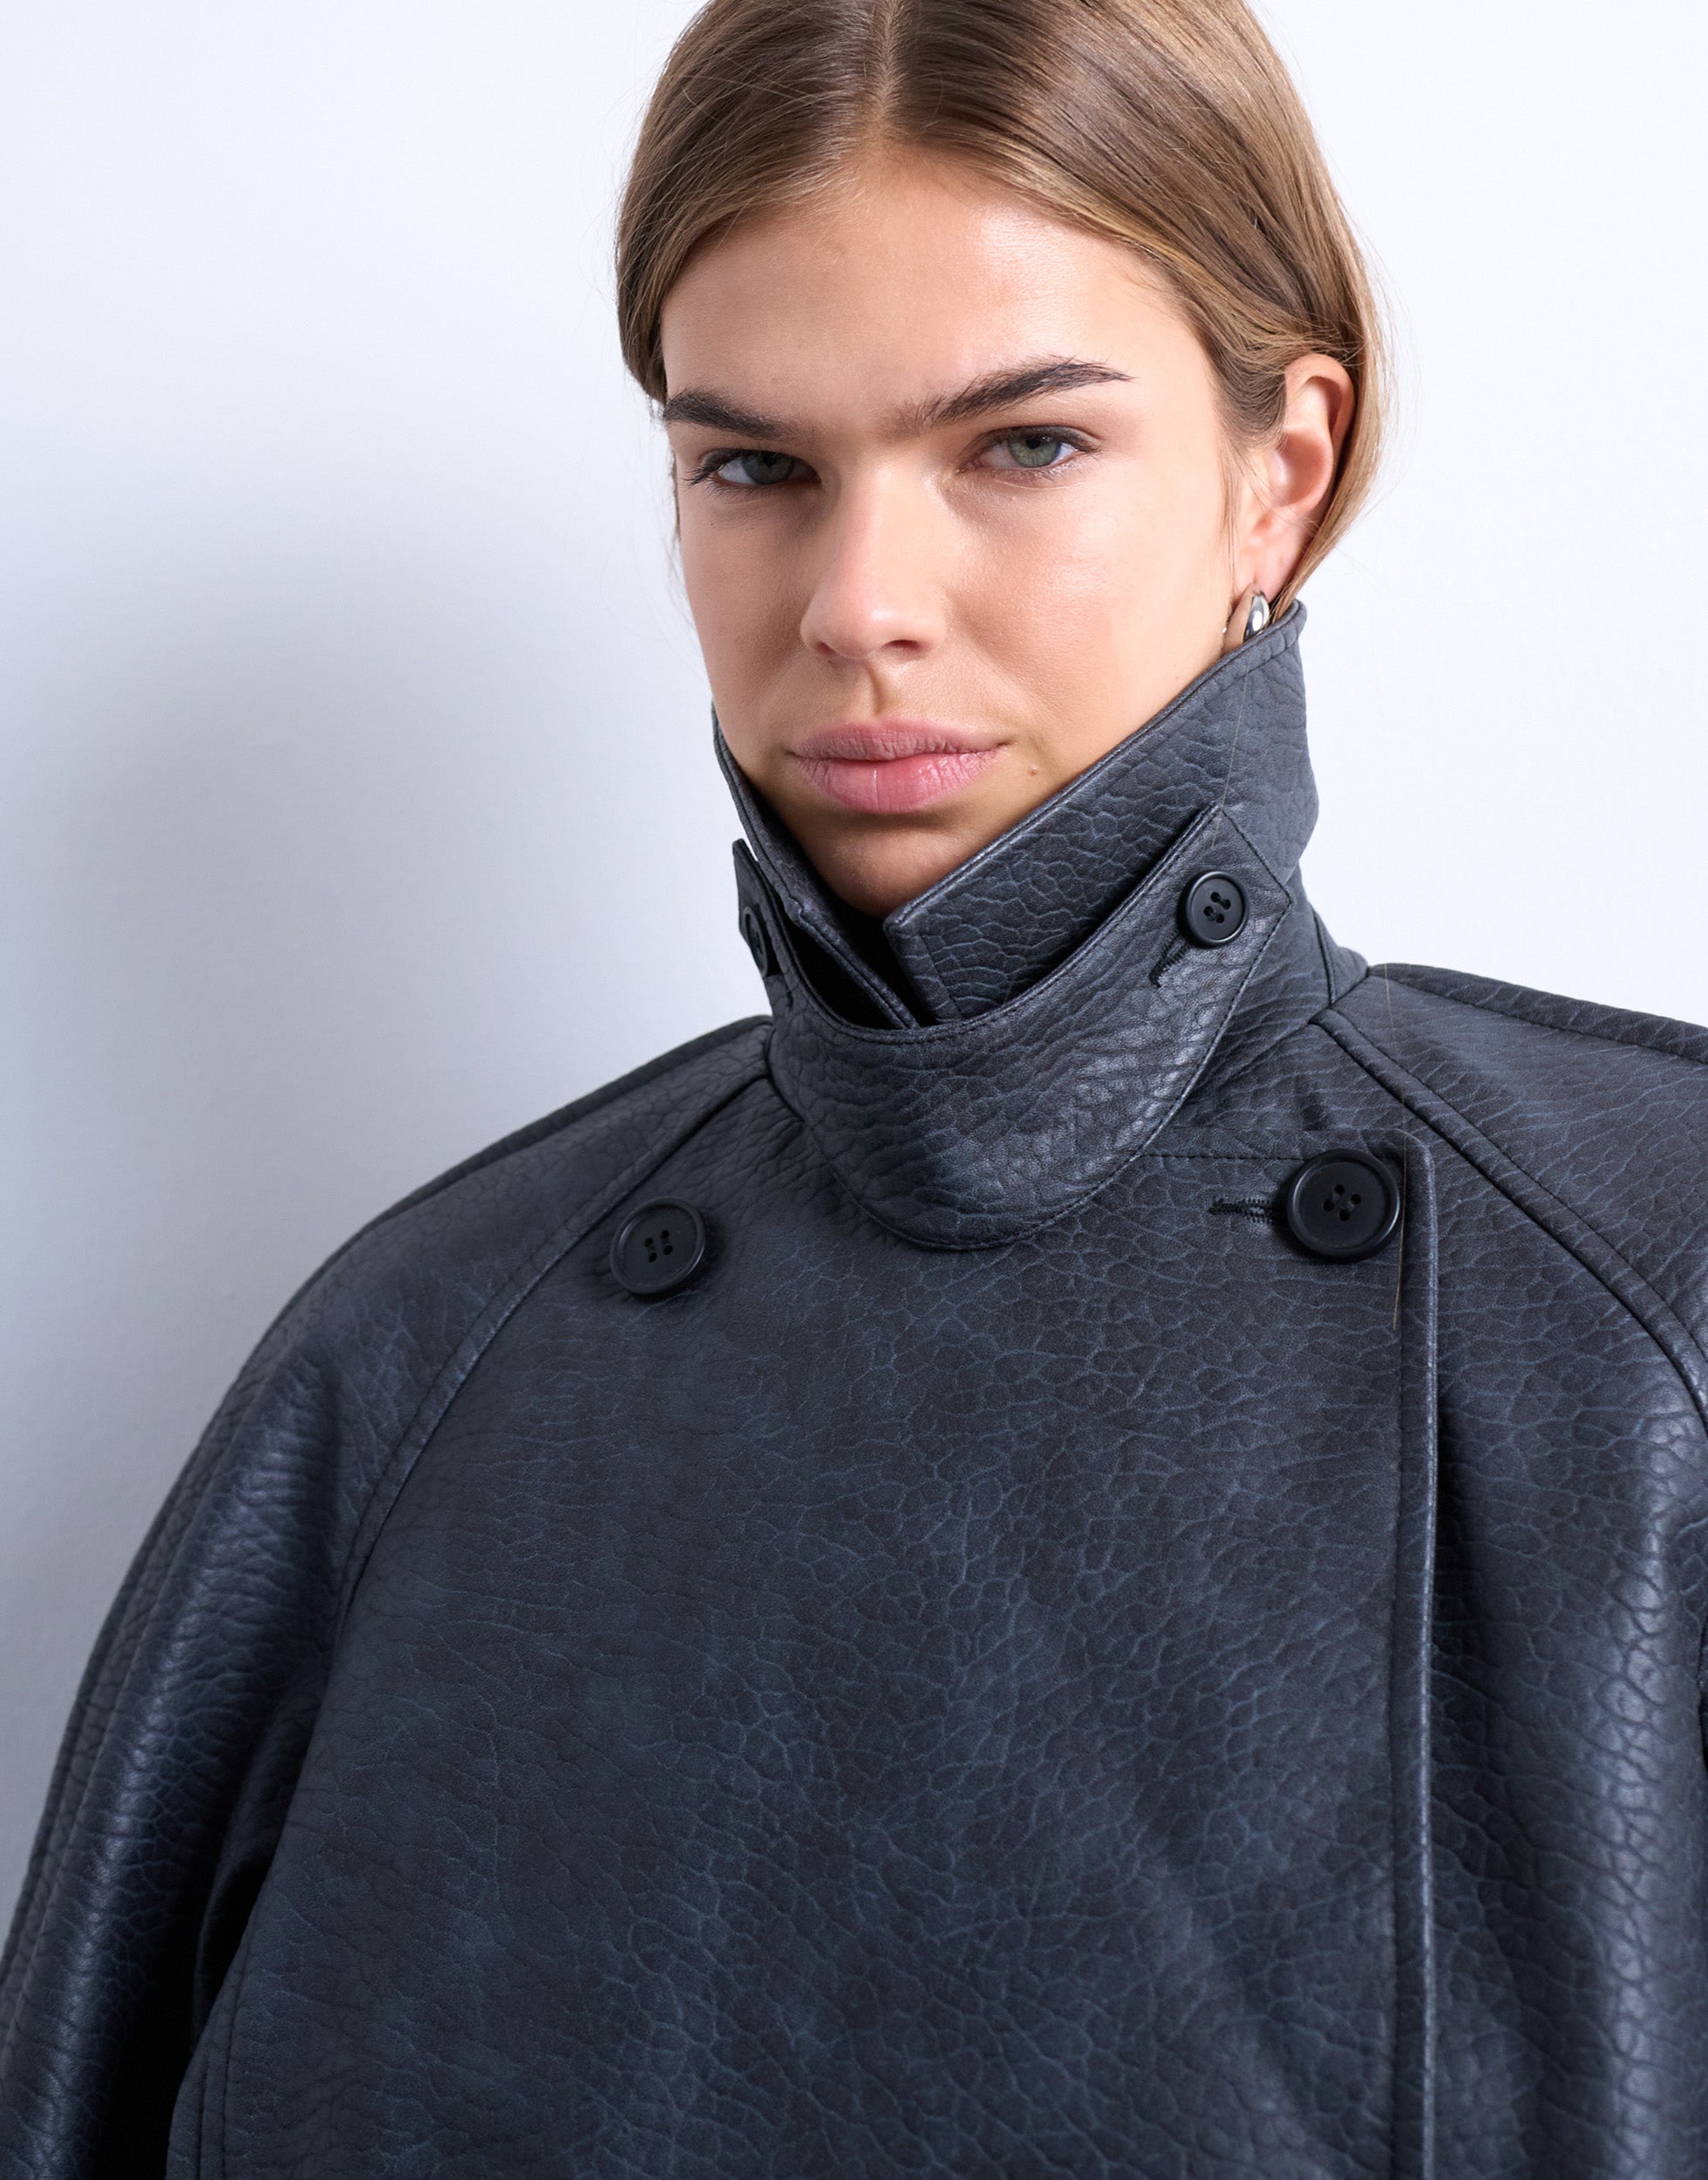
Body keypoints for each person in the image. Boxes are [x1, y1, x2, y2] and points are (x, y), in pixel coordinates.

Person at [4, 0, 1706, 2172]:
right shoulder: (418, 1350)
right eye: (752, 468)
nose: (856, 604)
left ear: (1277, 471)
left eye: (1022, 445)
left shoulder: (1646, 1300)